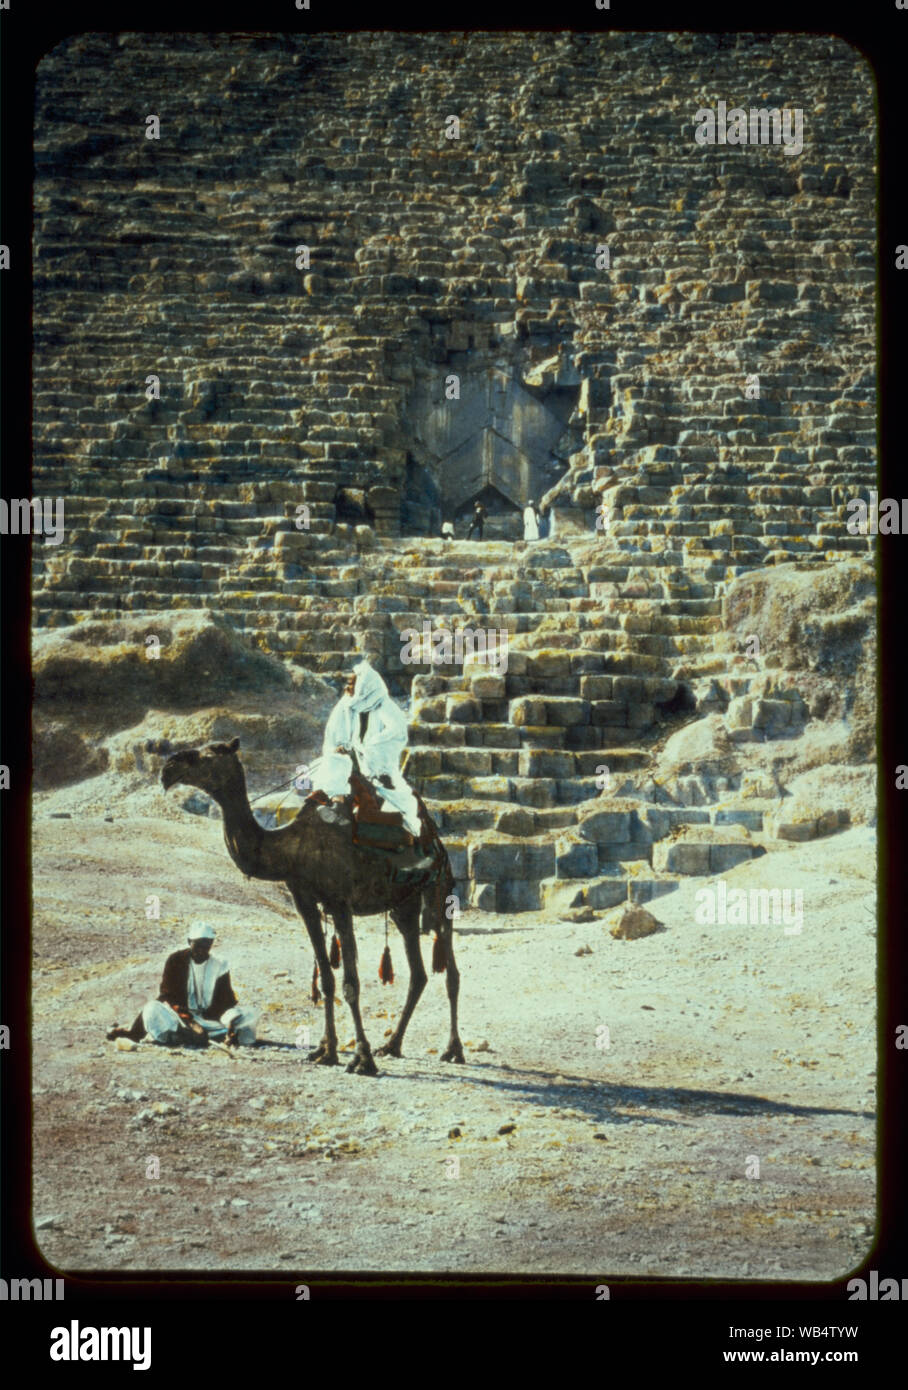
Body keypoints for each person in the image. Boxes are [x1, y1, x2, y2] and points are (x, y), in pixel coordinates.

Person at [307, 659, 422, 836]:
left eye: (352, 684)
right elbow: (333, 738)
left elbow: (396, 736)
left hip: (376, 768)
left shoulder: (385, 707)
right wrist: (339, 748)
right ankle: (336, 803)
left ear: (364, 686)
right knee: (331, 761)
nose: (347, 689)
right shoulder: (346, 707)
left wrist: (363, 749)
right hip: (351, 763)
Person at [106, 922, 257, 1047]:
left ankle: (204, 1038)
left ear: (211, 944)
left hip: (211, 1021)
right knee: (152, 1009)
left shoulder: (220, 964)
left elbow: (226, 1001)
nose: (201, 950)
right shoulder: (176, 960)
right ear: (189, 942)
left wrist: (230, 1024)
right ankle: (182, 1035)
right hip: (180, 1018)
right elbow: (167, 996)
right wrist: (191, 1022)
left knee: (248, 1015)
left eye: (206, 946)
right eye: (197, 945)